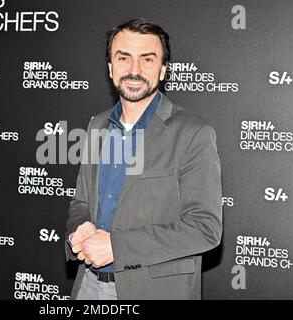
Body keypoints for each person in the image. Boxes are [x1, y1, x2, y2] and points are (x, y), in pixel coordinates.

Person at [65, 18, 222, 300]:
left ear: (163, 69)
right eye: (123, 58)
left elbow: (205, 228)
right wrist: (78, 229)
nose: (134, 70)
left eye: (147, 60)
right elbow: (81, 201)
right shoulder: (97, 126)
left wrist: (117, 247)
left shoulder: (193, 133)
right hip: (87, 285)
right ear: (111, 68)